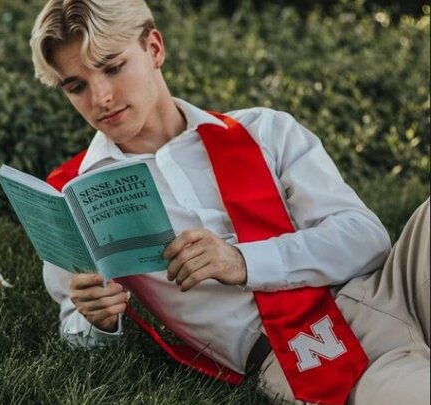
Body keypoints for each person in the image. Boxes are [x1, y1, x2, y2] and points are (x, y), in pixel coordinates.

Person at [28, 1, 430, 404]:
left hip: (393, 287)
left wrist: (241, 261)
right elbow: (78, 330)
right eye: (76, 86)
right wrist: (97, 319)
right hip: (304, 352)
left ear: (154, 49)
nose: (101, 97)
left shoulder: (266, 129)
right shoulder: (76, 196)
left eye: (113, 67)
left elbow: (366, 240)